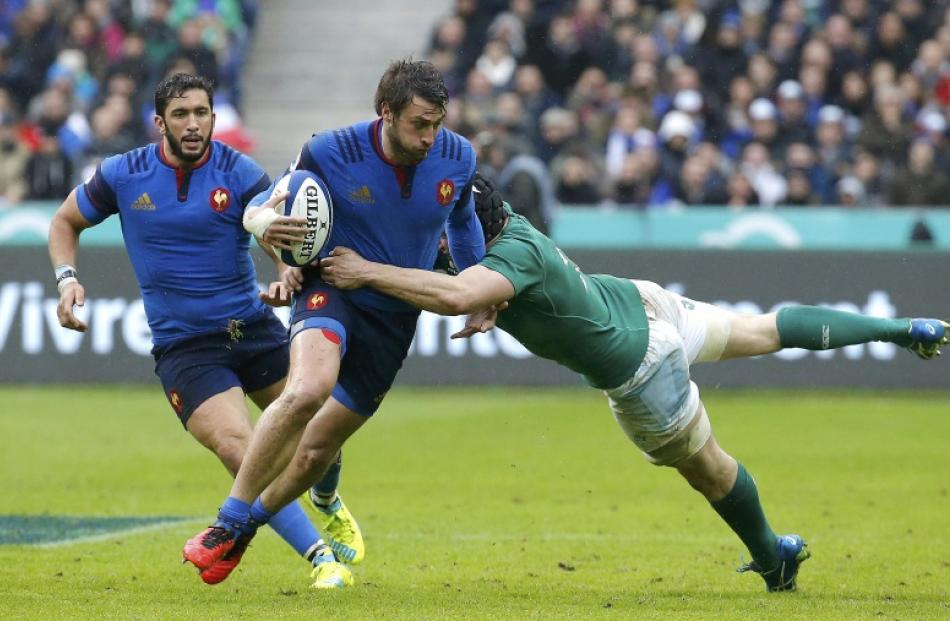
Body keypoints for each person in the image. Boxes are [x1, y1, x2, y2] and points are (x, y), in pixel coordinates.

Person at [316, 174, 949, 592]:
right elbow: (466, 284)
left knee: (709, 468)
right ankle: (898, 328)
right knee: (763, 331)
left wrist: (366, 270)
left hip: (638, 366)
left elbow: (454, 293)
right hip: (641, 302)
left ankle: (774, 554)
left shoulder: (508, 259)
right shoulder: (510, 229)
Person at [47, 73, 361, 589]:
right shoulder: (123, 174)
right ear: (159, 123)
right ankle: (322, 557)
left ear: (214, 118)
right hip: (186, 346)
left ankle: (327, 498)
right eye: (181, 115)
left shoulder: (239, 172)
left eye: (202, 113)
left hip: (253, 328)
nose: (193, 125)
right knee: (242, 448)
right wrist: (67, 280)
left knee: (321, 433)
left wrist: (286, 272)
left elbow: (272, 229)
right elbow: (65, 221)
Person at [182, 59, 486, 586]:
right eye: (419, 124)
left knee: (316, 453)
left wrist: (477, 286)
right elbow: (264, 208)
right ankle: (226, 520)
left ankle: (246, 530)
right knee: (307, 389)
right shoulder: (329, 150)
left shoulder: (457, 157)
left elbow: (462, 222)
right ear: (385, 113)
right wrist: (278, 248)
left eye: (437, 123)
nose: (430, 137)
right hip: (333, 287)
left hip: (396, 312)